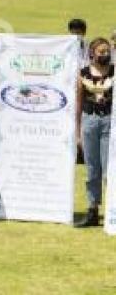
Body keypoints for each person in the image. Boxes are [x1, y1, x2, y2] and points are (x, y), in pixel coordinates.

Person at [75, 38, 114, 227]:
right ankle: (92, 210)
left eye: (107, 51)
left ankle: (112, 210)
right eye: (101, 51)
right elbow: (78, 103)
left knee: (109, 169)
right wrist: (77, 131)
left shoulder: (114, 72)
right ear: (92, 53)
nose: (105, 54)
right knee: (92, 168)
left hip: (110, 122)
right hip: (89, 121)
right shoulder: (83, 74)